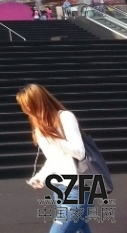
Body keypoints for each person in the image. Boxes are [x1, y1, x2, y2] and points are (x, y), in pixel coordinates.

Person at [16, 84, 93, 233]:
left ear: (38, 102)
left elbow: (79, 152)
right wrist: (40, 177)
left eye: (28, 105)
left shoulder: (65, 117)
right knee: (80, 229)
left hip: (78, 189)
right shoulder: (39, 125)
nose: (26, 110)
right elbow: (54, 158)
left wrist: (53, 137)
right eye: (23, 106)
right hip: (59, 189)